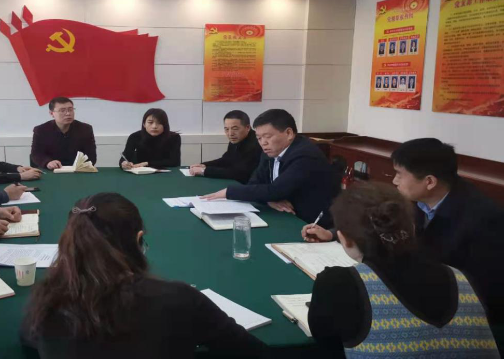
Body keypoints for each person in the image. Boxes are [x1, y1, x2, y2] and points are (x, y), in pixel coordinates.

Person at [301, 138, 504, 348]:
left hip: (449, 322)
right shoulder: (420, 200)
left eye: (399, 174)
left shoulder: (483, 219)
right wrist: (332, 234)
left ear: (429, 181)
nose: (395, 181)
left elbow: (485, 293)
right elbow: (377, 224)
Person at [20, 192, 267, 359]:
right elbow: (250, 351)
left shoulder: (47, 299)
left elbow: (29, 339)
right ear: (139, 240)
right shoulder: (179, 299)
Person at [202, 109, 340, 227]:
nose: (263, 143)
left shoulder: (305, 155)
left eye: (267, 136)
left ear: (289, 133)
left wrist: (229, 192)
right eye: (259, 138)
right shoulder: (270, 151)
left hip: (312, 223)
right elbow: (254, 183)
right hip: (285, 216)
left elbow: (276, 190)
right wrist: (269, 199)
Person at [189, 110, 262, 183]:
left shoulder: (257, 143)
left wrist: (204, 171)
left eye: (235, 129)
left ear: (248, 127)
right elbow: (226, 160)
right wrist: (204, 165)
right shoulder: (237, 139)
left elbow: (240, 173)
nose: (230, 134)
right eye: (226, 129)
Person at [31, 97, 97, 170]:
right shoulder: (41, 130)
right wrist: (48, 162)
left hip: (77, 171)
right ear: (52, 113)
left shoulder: (85, 129)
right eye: (62, 110)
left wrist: (82, 166)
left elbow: (91, 156)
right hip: (51, 170)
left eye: (70, 109)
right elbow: (36, 154)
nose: (68, 113)